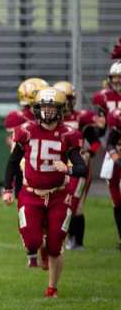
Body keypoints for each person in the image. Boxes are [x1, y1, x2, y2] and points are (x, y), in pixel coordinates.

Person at [2, 88, 87, 298]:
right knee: (32, 242)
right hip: (31, 194)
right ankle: (40, 249)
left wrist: (67, 169)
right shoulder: (26, 131)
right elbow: (12, 162)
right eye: (44, 107)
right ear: (37, 109)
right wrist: (7, 189)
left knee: (56, 246)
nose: (47, 112)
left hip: (59, 195)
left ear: (61, 110)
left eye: (52, 108)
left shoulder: (68, 134)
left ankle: (52, 288)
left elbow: (81, 168)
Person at [4, 78, 49, 268]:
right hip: (23, 167)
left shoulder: (47, 117)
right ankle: (31, 250)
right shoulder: (16, 118)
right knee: (26, 211)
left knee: (44, 214)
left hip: (44, 168)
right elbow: (11, 142)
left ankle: (45, 244)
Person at [53, 81, 101, 250]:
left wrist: (89, 154)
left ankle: (75, 241)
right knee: (63, 204)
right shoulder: (50, 121)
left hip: (77, 168)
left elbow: (95, 142)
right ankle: (69, 240)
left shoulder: (79, 118)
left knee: (74, 204)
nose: (66, 103)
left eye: (68, 99)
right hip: (59, 168)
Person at [92, 62, 121, 239]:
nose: (117, 81)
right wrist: (99, 127)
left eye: (120, 78)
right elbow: (100, 133)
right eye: (115, 78)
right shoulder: (103, 97)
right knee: (116, 198)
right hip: (113, 148)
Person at [102, 105, 121, 248]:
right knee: (117, 203)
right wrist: (117, 158)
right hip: (115, 167)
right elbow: (110, 144)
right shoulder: (116, 124)